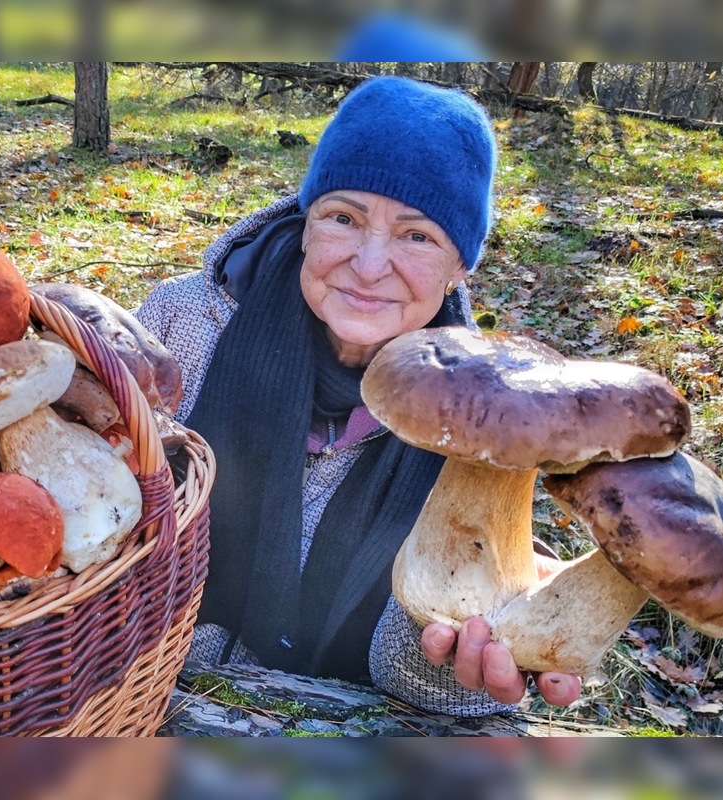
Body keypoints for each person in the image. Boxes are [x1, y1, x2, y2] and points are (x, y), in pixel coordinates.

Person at [136, 76, 582, 716]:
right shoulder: (182, 325)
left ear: (461, 266)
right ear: (306, 220)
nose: (370, 267)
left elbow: (411, 676)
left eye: (417, 236)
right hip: (139, 695)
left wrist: (459, 656)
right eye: (344, 219)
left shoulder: (484, 416)